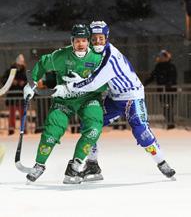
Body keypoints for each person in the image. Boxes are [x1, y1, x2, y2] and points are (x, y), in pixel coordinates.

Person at [60, 21, 176, 181]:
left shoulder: (109, 56)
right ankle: (93, 165)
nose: (97, 42)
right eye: (94, 39)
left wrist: (72, 87)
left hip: (132, 97)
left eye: (101, 38)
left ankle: (162, 162)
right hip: (114, 98)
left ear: (107, 37)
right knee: (90, 124)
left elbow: (94, 82)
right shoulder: (95, 54)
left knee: (141, 131)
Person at [23, 24, 106, 184]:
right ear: (72, 41)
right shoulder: (61, 56)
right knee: (52, 131)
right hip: (64, 101)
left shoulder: (97, 58)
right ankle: (39, 165)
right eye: (77, 41)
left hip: (89, 100)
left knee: (94, 129)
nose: (80, 44)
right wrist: (31, 85)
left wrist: (85, 84)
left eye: (83, 40)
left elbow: (106, 82)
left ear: (88, 41)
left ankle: (75, 165)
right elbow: (42, 63)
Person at [144, 50, 177, 129]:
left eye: (163, 57)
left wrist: (169, 83)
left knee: (169, 106)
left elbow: (173, 77)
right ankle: (170, 122)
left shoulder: (171, 66)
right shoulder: (158, 66)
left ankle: (171, 123)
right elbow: (152, 77)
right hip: (161, 91)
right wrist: (144, 83)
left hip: (170, 91)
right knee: (165, 107)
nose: (161, 58)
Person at [2, 54, 27, 135]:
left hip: (21, 97)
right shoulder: (10, 71)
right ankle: (11, 129)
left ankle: (24, 129)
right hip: (12, 97)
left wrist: (23, 83)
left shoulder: (24, 72)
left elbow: (28, 82)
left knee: (22, 113)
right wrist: (11, 82)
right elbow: (3, 79)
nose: (19, 66)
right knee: (12, 114)